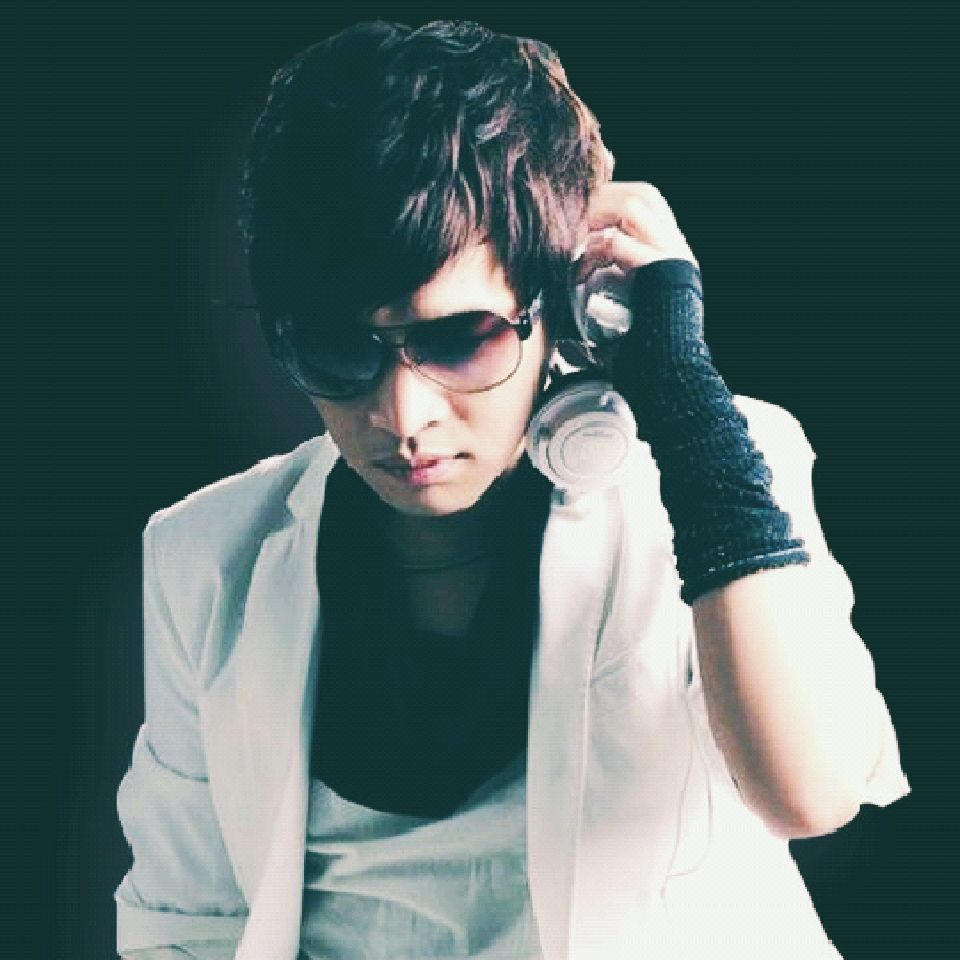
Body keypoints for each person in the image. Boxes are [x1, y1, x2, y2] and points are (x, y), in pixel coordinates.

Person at [114, 18, 909, 960]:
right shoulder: (206, 556)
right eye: (336, 350)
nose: (403, 415)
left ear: (558, 307)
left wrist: (689, 406)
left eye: (462, 339)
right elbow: (182, 929)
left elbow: (810, 795)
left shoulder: (719, 471)